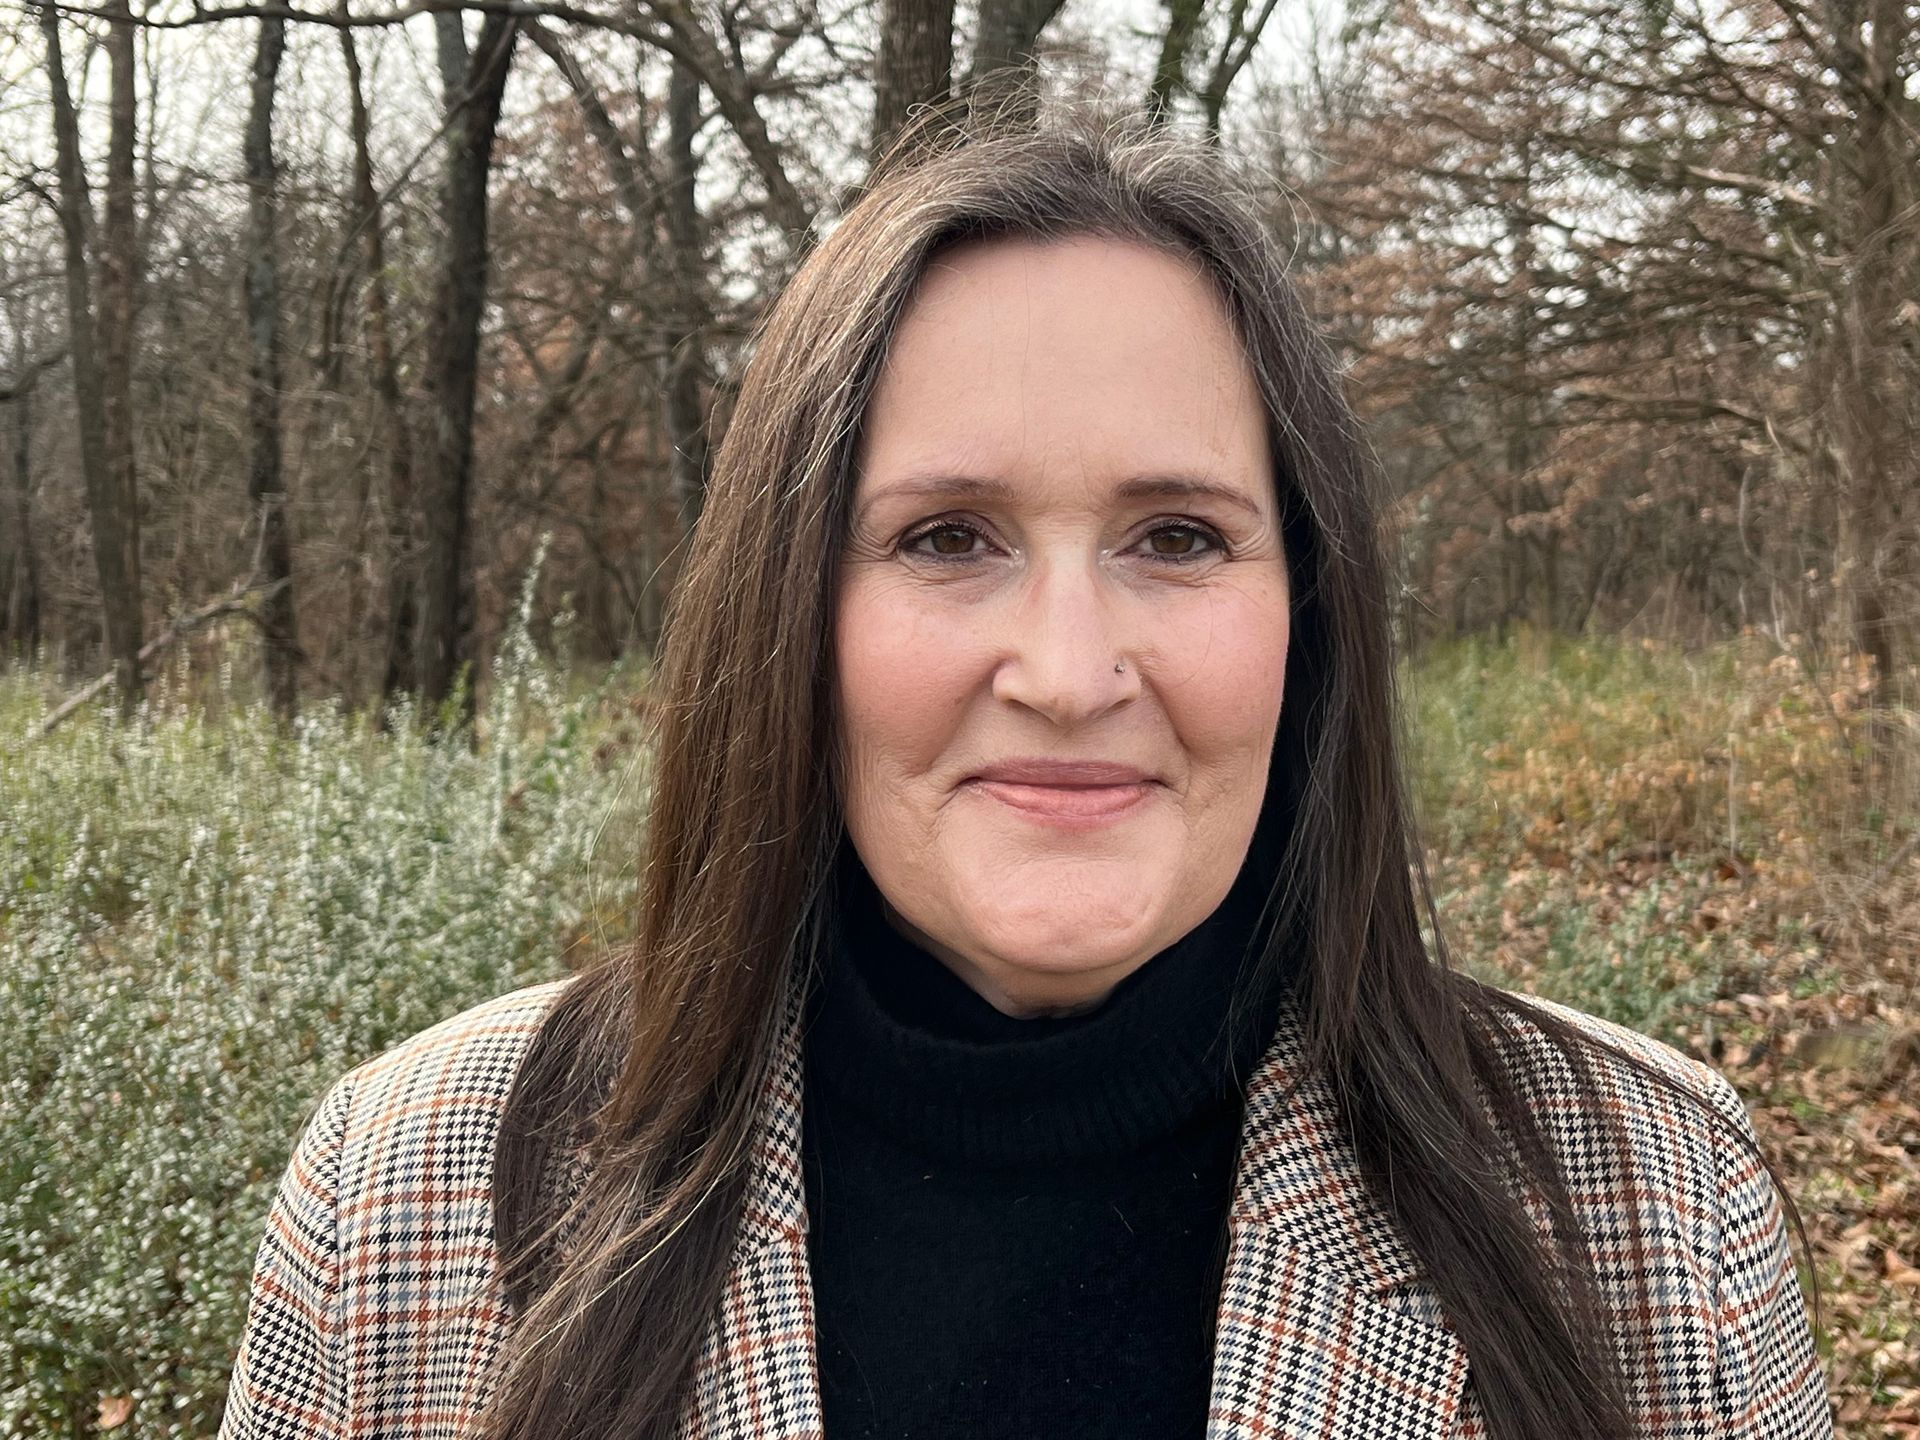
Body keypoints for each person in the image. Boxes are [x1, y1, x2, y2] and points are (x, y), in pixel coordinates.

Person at [217, 100, 1832, 1440]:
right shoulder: (406, 1193)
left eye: (1177, 537)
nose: (1067, 673)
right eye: (947, 538)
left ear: (1310, 611)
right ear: (789, 613)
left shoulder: (1653, 1205)